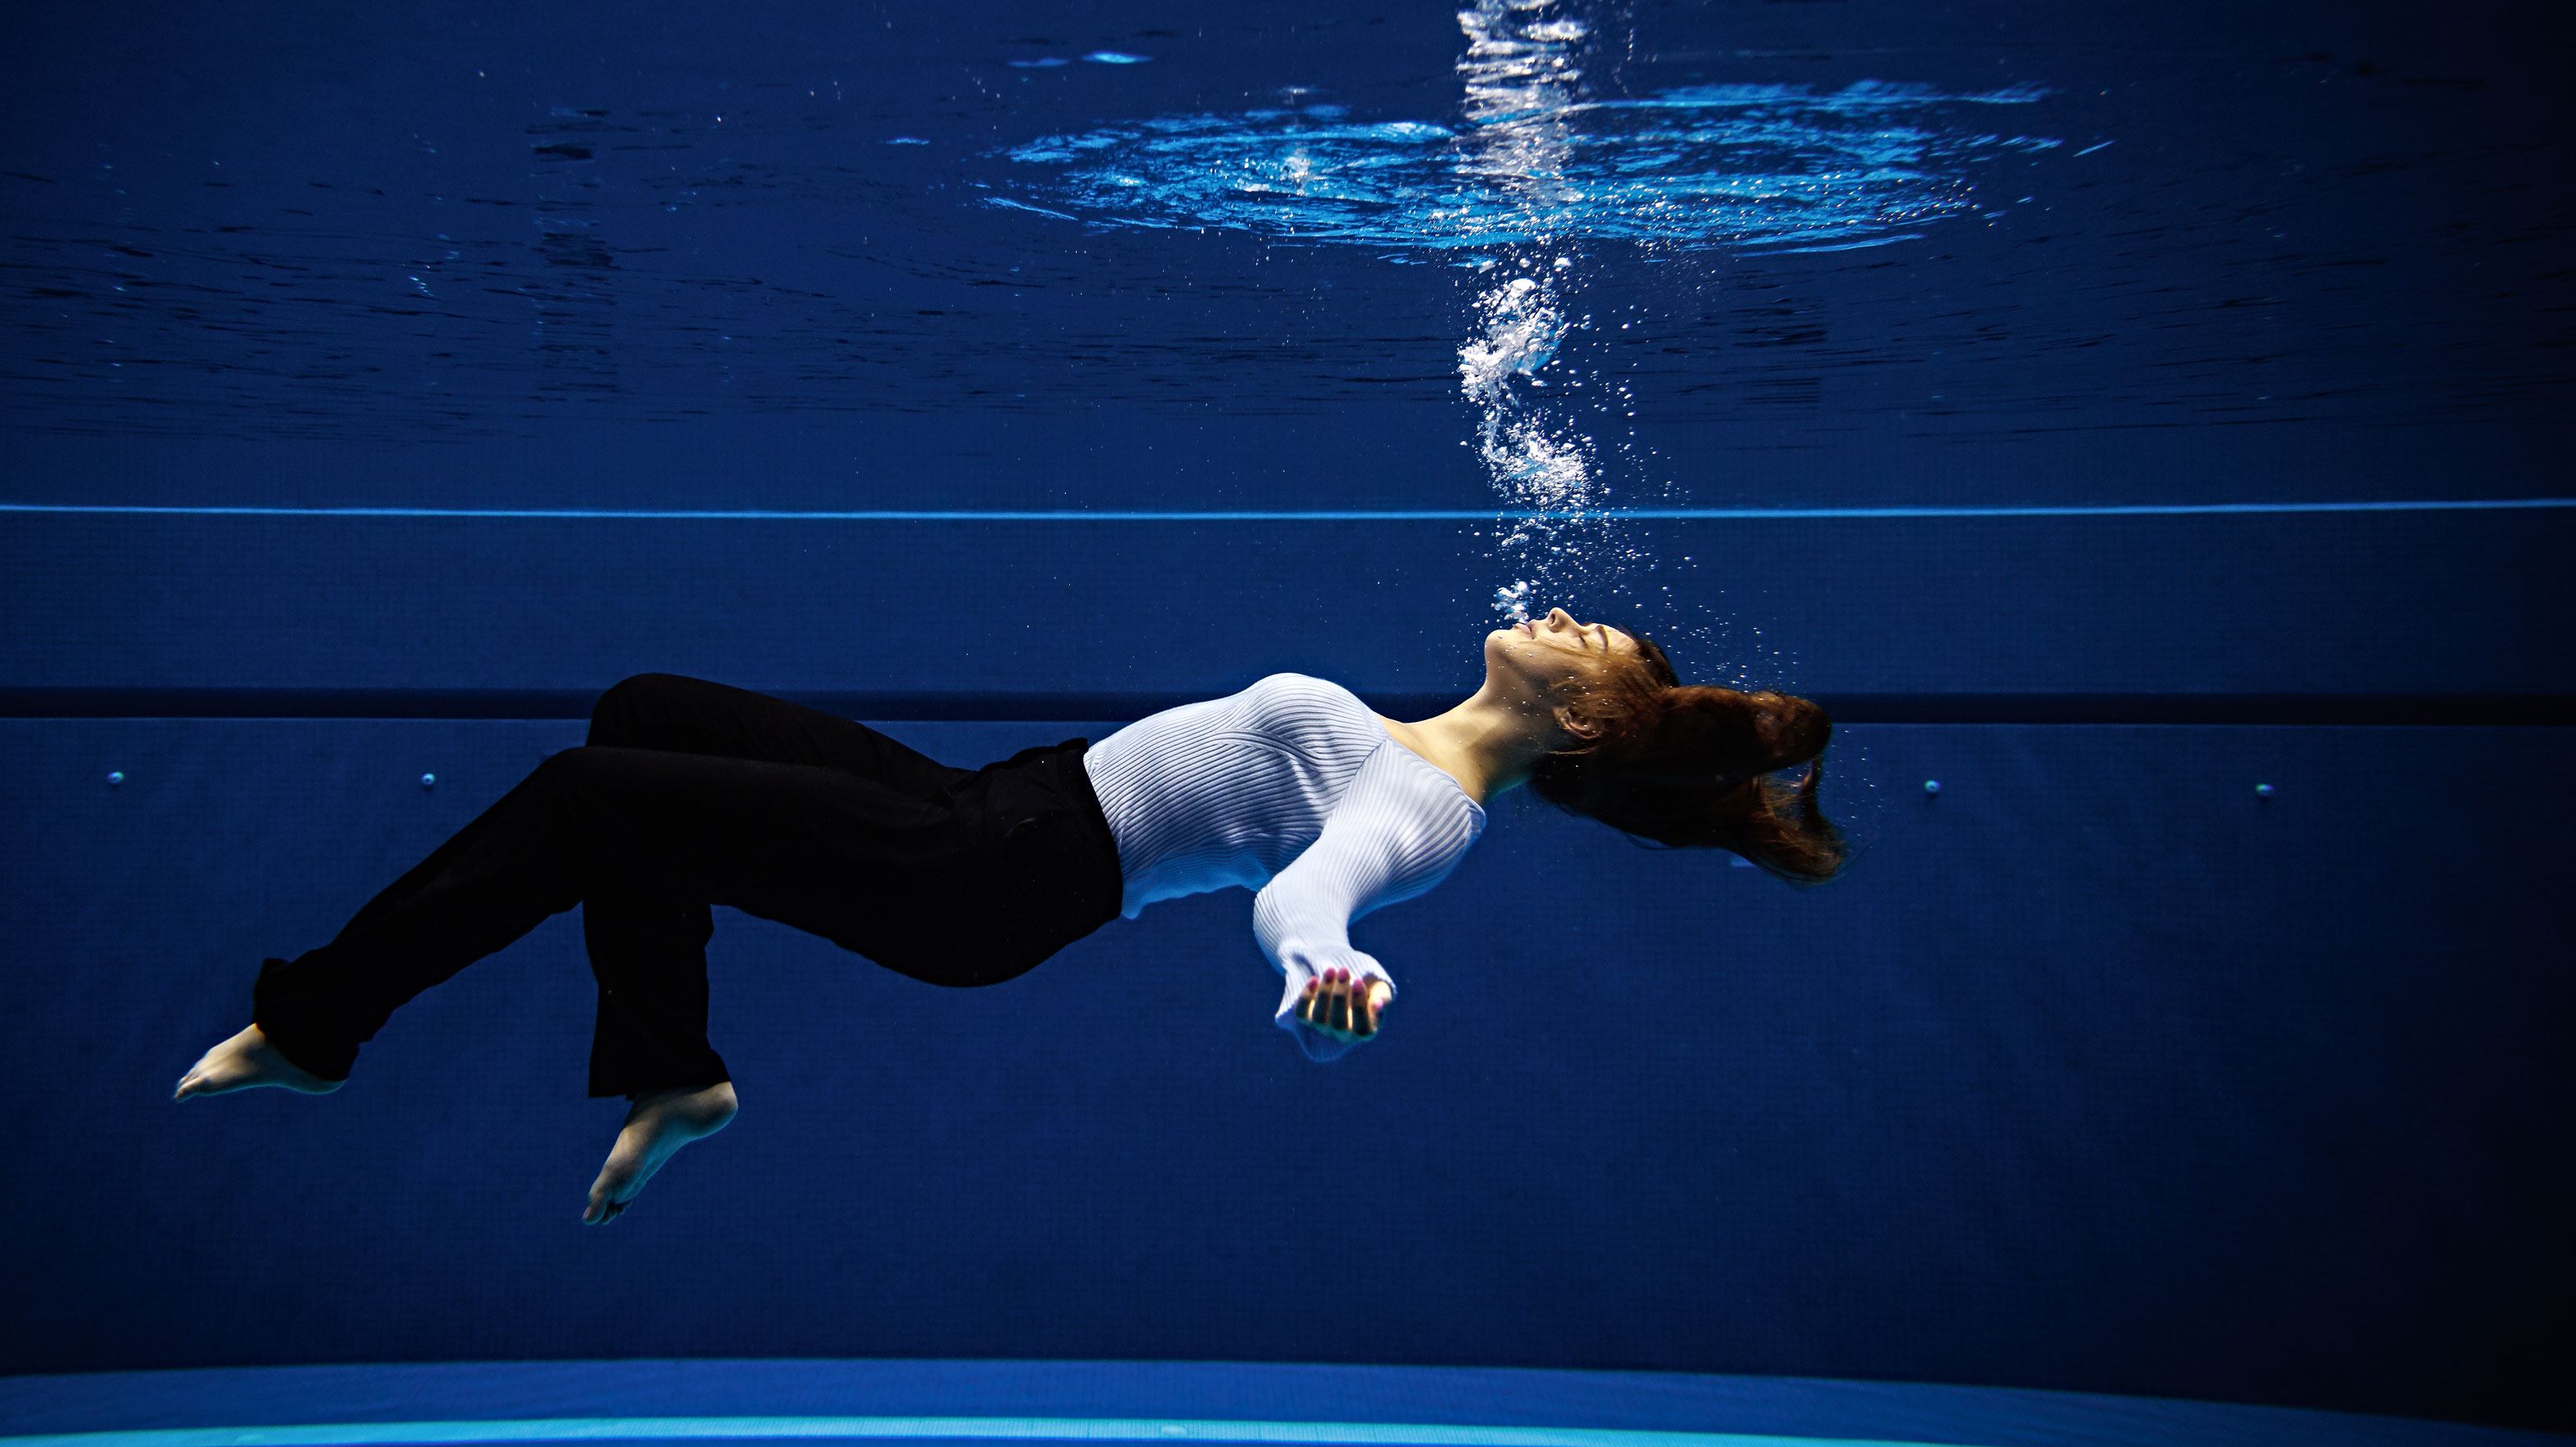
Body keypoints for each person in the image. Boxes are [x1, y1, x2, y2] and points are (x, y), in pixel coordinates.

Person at [174, 609, 1843, 1221]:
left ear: (1583, 718)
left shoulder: (1427, 807)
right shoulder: (1411, 740)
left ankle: (318, 1026)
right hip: (995, 805)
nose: (1565, 610)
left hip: (989, 879)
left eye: (1593, 639)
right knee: (643, 712)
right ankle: (672, 1071)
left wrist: (1327, 968)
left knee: (590, 792)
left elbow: (1308, 891)